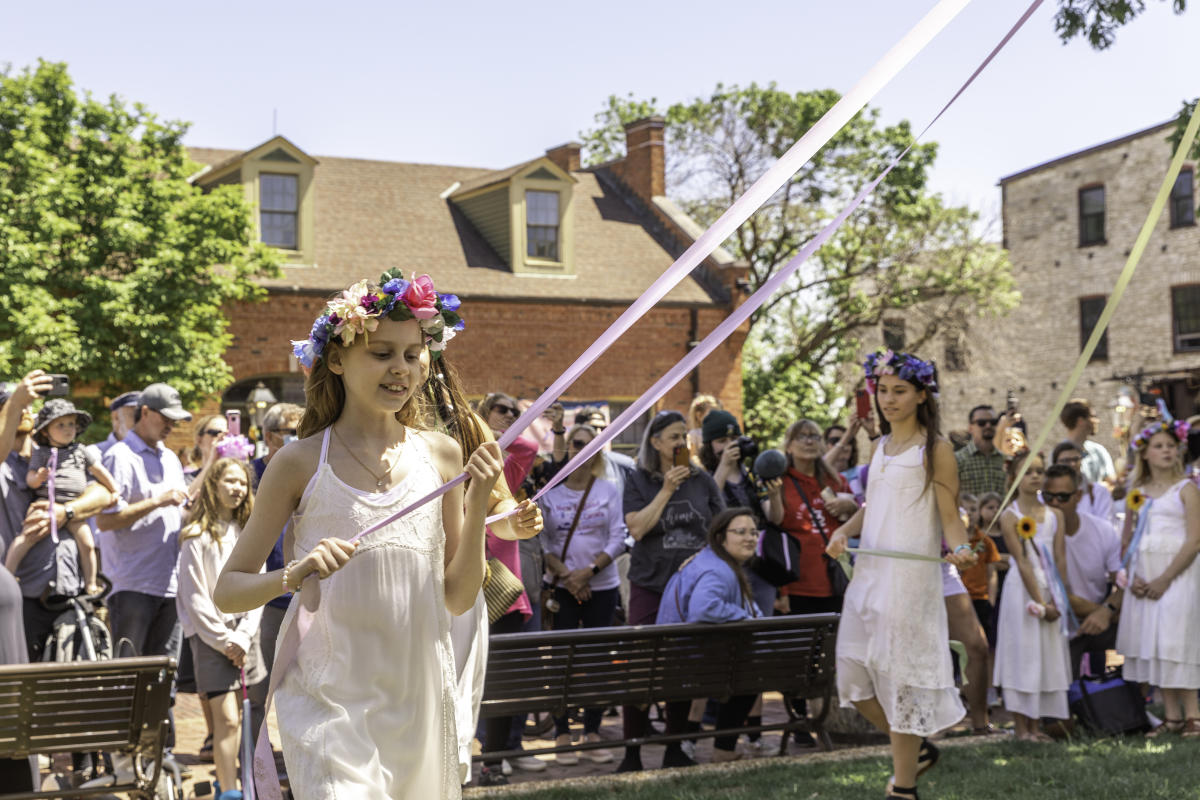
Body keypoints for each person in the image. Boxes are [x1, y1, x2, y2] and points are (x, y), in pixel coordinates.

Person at [215, 274, 504, 799]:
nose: (401, 368)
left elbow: (459, 598)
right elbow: (228, 589)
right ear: (338, 359)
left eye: (415, 354)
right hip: (330, 701)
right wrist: (294, 573)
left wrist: (479, 500)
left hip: (417, 696)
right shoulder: (299, 461)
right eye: (382, 352)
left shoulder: (441, 454)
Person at [826, 351, 977, 800]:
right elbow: (874, 504)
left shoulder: (937, 449)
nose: (887, 399)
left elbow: (950, 516)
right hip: (869, 574)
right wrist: (844, 529)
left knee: (902, 681)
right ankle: (917, 749)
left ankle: (904, 788)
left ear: (920, 395)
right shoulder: (881, 447)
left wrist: (963, 548)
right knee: (852, 675)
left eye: (899, 391)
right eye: (883, 390)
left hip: (911, 584)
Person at [419, 350, 542, 787]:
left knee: (449, 713)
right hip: (387, 588)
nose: (402, 363)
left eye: (417, 349)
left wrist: (516, 521)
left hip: (458, 589)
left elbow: (499, 503)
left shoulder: (468, 424)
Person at [620, 409, 724, 773]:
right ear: (656, 442)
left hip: (691, 587)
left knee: (682, 669)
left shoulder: (703, 480)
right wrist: (666, 489)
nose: (683, 443)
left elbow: (720, 531)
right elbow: (636, 529)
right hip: (649, 582)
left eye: (685, 436)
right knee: (641, 668)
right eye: (675, 437)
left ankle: (674, 750)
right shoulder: (639, 479)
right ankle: (632, 752)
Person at [177, 458, 264, 800]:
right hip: (213, 639)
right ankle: (229, 792)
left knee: (244, 718)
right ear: (212, 485)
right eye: (229, 481)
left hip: (246, 635)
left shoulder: (249, 534)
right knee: (225, 719)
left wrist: (243, 636)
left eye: (242, 483)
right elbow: (195, 598)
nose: (237, 489)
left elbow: (257, 588)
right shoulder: (196, 538)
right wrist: (225, 639)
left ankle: (242, 783)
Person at [538, 423, 625, 766]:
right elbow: (542, 540)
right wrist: (568, 576)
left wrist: (588, 572)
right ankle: (561, 732)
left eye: (592, 445)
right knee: (561, 660)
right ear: (567, 447)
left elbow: (618, 537)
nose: (583, 449)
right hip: (561, 588)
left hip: (601, 587)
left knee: (597, 661)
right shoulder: (550, 493)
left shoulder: (608, 490)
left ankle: (591, 732)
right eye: (577, 443)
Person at [1115, 416, 1200, 737]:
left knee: (1178, 637)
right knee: (1157, 640)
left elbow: (1195, 539)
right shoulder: (1137, 492)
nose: (1166, 451)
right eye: (1158, 446)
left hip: (1178, 572)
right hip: (1145, 574)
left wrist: (1165, 578)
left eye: (1170, 446)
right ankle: (1172, 715)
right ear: (1145, 453)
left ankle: (1193, 714)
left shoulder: (1187, 489)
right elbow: (1129, 539)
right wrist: (1134, 576)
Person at [657, 507, 762, 763]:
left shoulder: (711, 561)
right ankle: (724, 749)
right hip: (687, 663)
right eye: (741, 532)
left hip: (680, 659)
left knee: (746, 670)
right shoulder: (717, 569)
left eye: (753, 532)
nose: (749, 538)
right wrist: (746, 617)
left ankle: (710, 749)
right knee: (749, 674)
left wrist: (749, 614)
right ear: (720, 537)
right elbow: (704, 608)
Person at [97, 383, 192, 662]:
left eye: (174, 421)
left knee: (162, 681)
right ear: (146, 412)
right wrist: (158, 501)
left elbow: (175, 513)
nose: (171, 426)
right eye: (166, 419)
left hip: (170, 584)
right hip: (132, 586)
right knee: (128, 676)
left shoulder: (171, 458)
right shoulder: (120, 457)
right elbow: (104, 521)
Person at [992, 450, 1071, 742]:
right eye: (1027, 471)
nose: (1035, 476)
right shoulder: (1009, 515)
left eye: (1039, 470)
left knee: (1044, 654)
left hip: (1051, 588)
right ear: (1013, 477)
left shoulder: (1055, 516)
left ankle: (1037, 725)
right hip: (1023, 591)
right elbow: (1022, 561)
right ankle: (1021, 726)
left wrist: (1057, 599)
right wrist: (1039, 602)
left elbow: (1061, 559)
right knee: (1022, 652)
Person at [25, 398, 117, 595]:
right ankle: (8, 574)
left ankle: (91, 582)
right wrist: (38, 478)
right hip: (45, 506)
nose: (68, 429)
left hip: (74, 510)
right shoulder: (41, 453)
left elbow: (100, 472)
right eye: (60, 425)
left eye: (71, 424)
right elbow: (30, 479)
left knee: (88, 544)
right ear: (45, 430)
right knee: (25, 540)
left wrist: (114, 490)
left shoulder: (80, 451)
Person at [765, 419, 855, 615]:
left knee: (833, 642)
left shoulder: (836, 480)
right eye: (801, 437)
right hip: (796, 582)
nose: (809, 442)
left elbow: (856, 522)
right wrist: (773, 497)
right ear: (788, 446)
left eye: (814, 436)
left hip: (834, 578)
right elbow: (774, 523)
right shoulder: (780, 480)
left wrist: (851, 506)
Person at [1042, 463, 1123, 679]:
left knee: (1138, 629)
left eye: (1062, 497)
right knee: (1063, 695)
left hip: (1098, 622)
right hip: (1057, 626)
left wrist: (1108, 610)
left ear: (1078, 496)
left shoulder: (1103, 531)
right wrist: (1102, 612)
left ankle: (1138, 702)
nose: (1054, 503)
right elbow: (1059, 596)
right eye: (1048, 497)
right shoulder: (1037, 535)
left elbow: (1124, 582)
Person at [698, 409, 778, 616]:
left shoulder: (752, 474)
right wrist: (724, 465)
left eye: (734, 439)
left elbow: (774, 518)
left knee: (762, 624)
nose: (730, 446)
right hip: (724, 563)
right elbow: (707, 508)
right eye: (722, 441)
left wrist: (776, 496)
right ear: (709, 446)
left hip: (758, 565)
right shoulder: (703, 478)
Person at [1052, 440, 1114, 524]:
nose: (1073, 464)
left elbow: (1106, 526)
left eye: (1076, 459)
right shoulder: (1047, 496)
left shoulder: (1098, 492)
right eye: (1066, 460)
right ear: (1055, 464)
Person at [1060, 398, 1117, 488]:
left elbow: (1112, 482)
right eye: (1093, 416)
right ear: (1080, 421)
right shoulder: (1059, 454)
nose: (1097, 421)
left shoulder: (1098, 450)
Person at [956, 405, 1007, 497]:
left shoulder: (1006, 460)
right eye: (981, 423)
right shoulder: (957, 459)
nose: (988, 426)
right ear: (970, 428)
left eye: (993, 422)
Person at [182, 414, 229, 485]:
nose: (222, 438)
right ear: (199, 440)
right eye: (215, 433)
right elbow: (188, 495)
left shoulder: (237, 480)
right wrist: (211, 462)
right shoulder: (186, 479)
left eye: (227, 434)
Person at [96, 391, 141, 456]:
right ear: (116, 417)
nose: (143, 422)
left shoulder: (156, 452)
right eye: (137, 415)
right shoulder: (95, 454)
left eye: (146, 416)